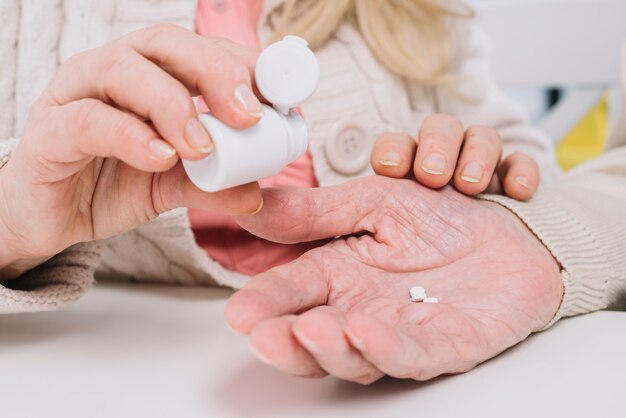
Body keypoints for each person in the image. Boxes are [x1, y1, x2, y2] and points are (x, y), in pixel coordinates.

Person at [0, 0, 555, 311]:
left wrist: (491, 191)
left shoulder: (421, 15)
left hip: (408, 324)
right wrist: (12, 226)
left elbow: (524, 158)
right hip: (120, 347)